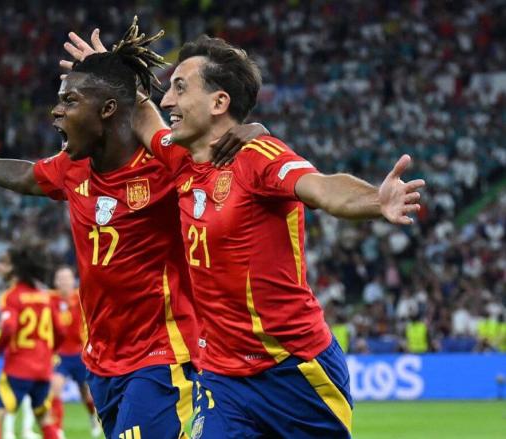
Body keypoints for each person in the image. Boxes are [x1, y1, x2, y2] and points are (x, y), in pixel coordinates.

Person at [64, 32, 425, 438]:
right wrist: (110, 73)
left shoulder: (257, 158)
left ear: (219, 103)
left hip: (294, 370)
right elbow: (145, 115)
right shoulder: (179, 158)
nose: (169, 101)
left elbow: (322, 188)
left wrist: (377, 199)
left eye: (181, 89)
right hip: (221, 377)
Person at [0, 18, 265, 439]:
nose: (56, 111)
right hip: (101, 361)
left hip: (162, 354)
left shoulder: (165, 165)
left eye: (69, 101)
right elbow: (27, 176)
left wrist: (253, 132)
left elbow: (230, 154)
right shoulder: (73, 168)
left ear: (106, 111)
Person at [0, 242, 63, 439]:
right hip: (43, 370)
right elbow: (60, 331)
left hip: (18, 368)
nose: (1, 268)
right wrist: (49, 353)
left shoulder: (11, 296)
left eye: (5, 264)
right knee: (44, 420)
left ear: (16, 269)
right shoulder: (44, 297)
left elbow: (8, 328)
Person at [49, 266, 101, 438]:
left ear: (73, 280)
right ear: (56, 281)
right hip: (60, 354)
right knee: (55, 389)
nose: (64, 281)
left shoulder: (81, 296)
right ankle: (57, 429)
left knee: (85, 393)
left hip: (80, 354)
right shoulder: (50, 299)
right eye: (60, 278)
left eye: (67, 278)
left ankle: (93, 416)